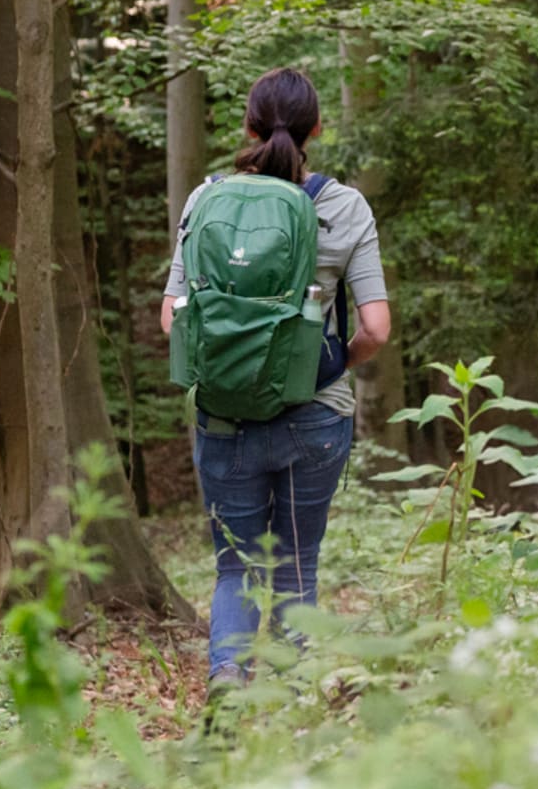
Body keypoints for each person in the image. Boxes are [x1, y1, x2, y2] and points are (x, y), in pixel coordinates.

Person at [160, 68, 391, 685]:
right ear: (317, 127)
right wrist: (328, 363)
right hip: (315, 415)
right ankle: (293, 694)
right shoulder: (344, 206)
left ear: (248, 125)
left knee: (236, 565)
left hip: (225, 417)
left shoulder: (205, 200)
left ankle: (229, 676)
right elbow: (375, 328)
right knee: (296, 565)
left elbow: (170, 318)